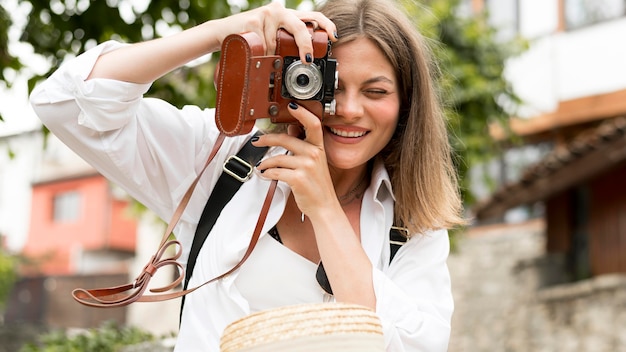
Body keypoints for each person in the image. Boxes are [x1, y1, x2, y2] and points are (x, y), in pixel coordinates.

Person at [30, 0, 466, 350]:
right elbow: (66, 102)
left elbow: (413, 345)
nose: (350, 109)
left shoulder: (412, 226)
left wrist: (325, 210)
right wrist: (226, 32)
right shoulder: (221, 158)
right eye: (329, 85)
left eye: (376, 91)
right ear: (291, 79)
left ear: (406, 105)